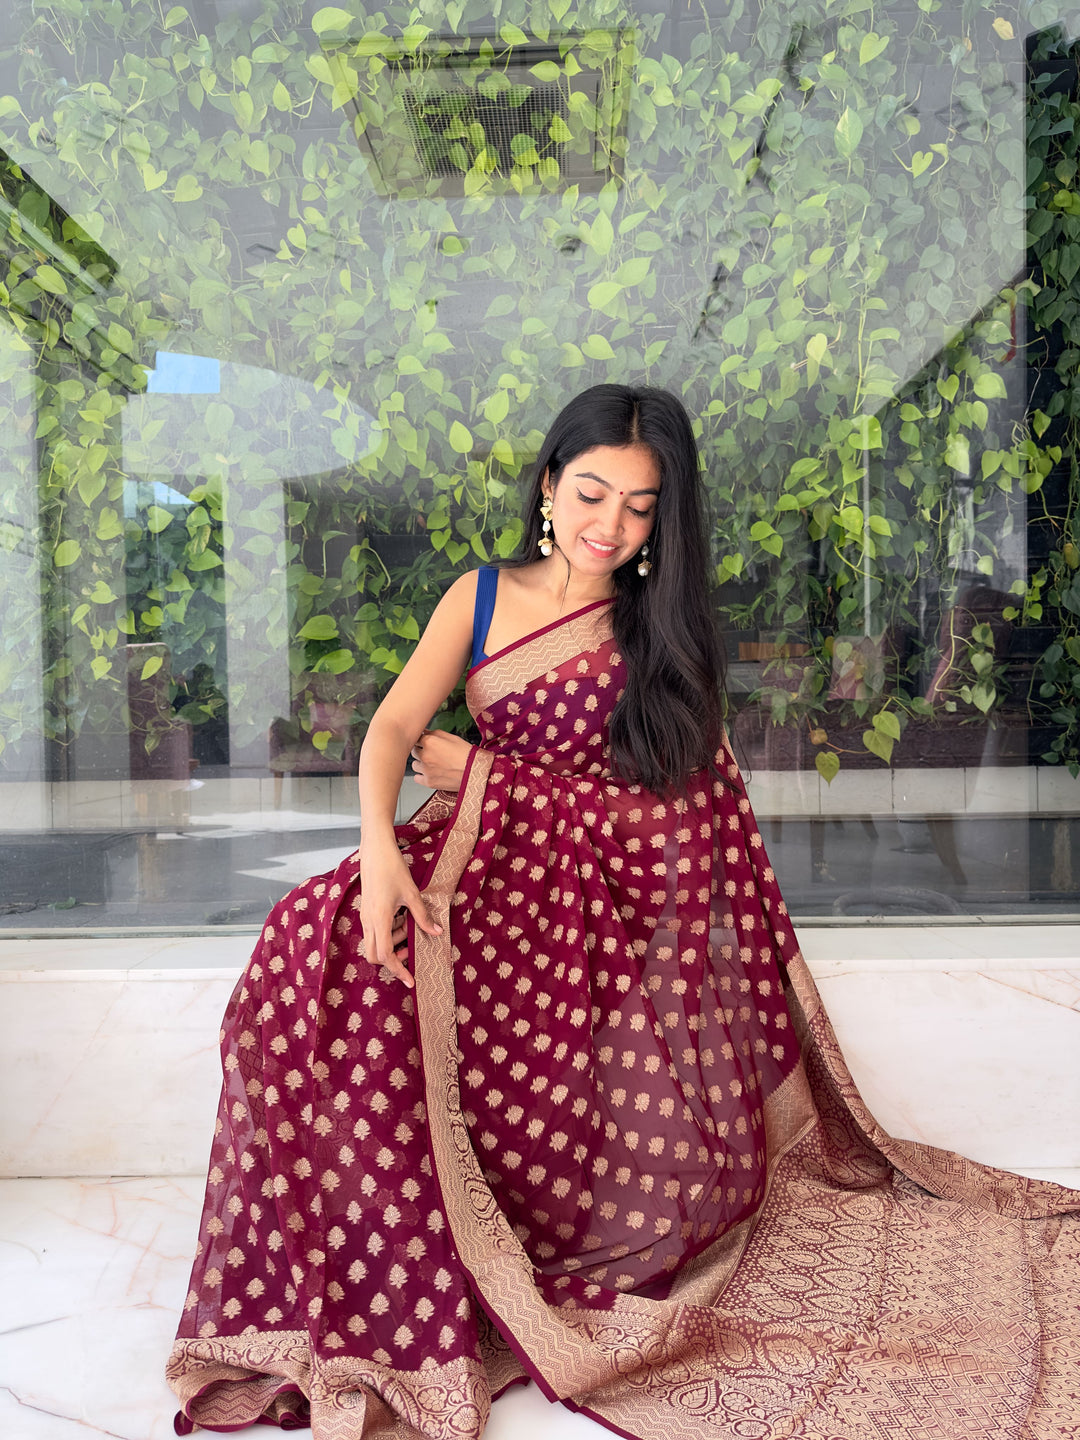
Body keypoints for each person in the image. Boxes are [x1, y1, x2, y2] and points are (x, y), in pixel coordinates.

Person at [168, 384, 1080, 1439]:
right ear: (549, 486)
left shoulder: (661, 634)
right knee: (307, 944)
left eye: (639, 507)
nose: (608, 524)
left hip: (580, 928)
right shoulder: (477, 598)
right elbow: (387, 735)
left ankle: (443, 1271)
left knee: (400, 1002)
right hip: (458, 865)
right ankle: (341, 1272)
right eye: (591, 491)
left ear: (661, 524)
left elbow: (684, 830)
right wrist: (378, 846)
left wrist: (490, 777)